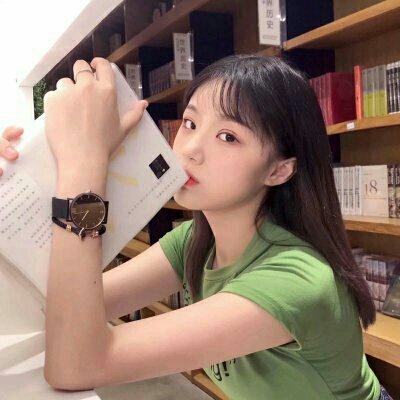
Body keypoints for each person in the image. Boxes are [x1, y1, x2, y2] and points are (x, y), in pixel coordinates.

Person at [1, 55, 393, 400]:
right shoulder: (196, 241)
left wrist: (85, 163)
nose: (189, 149)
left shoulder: (296, 281)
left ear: (278, 170)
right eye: (190, 123)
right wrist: (24, 180)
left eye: (228, 136)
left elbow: (77, 365)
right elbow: (54, 311)